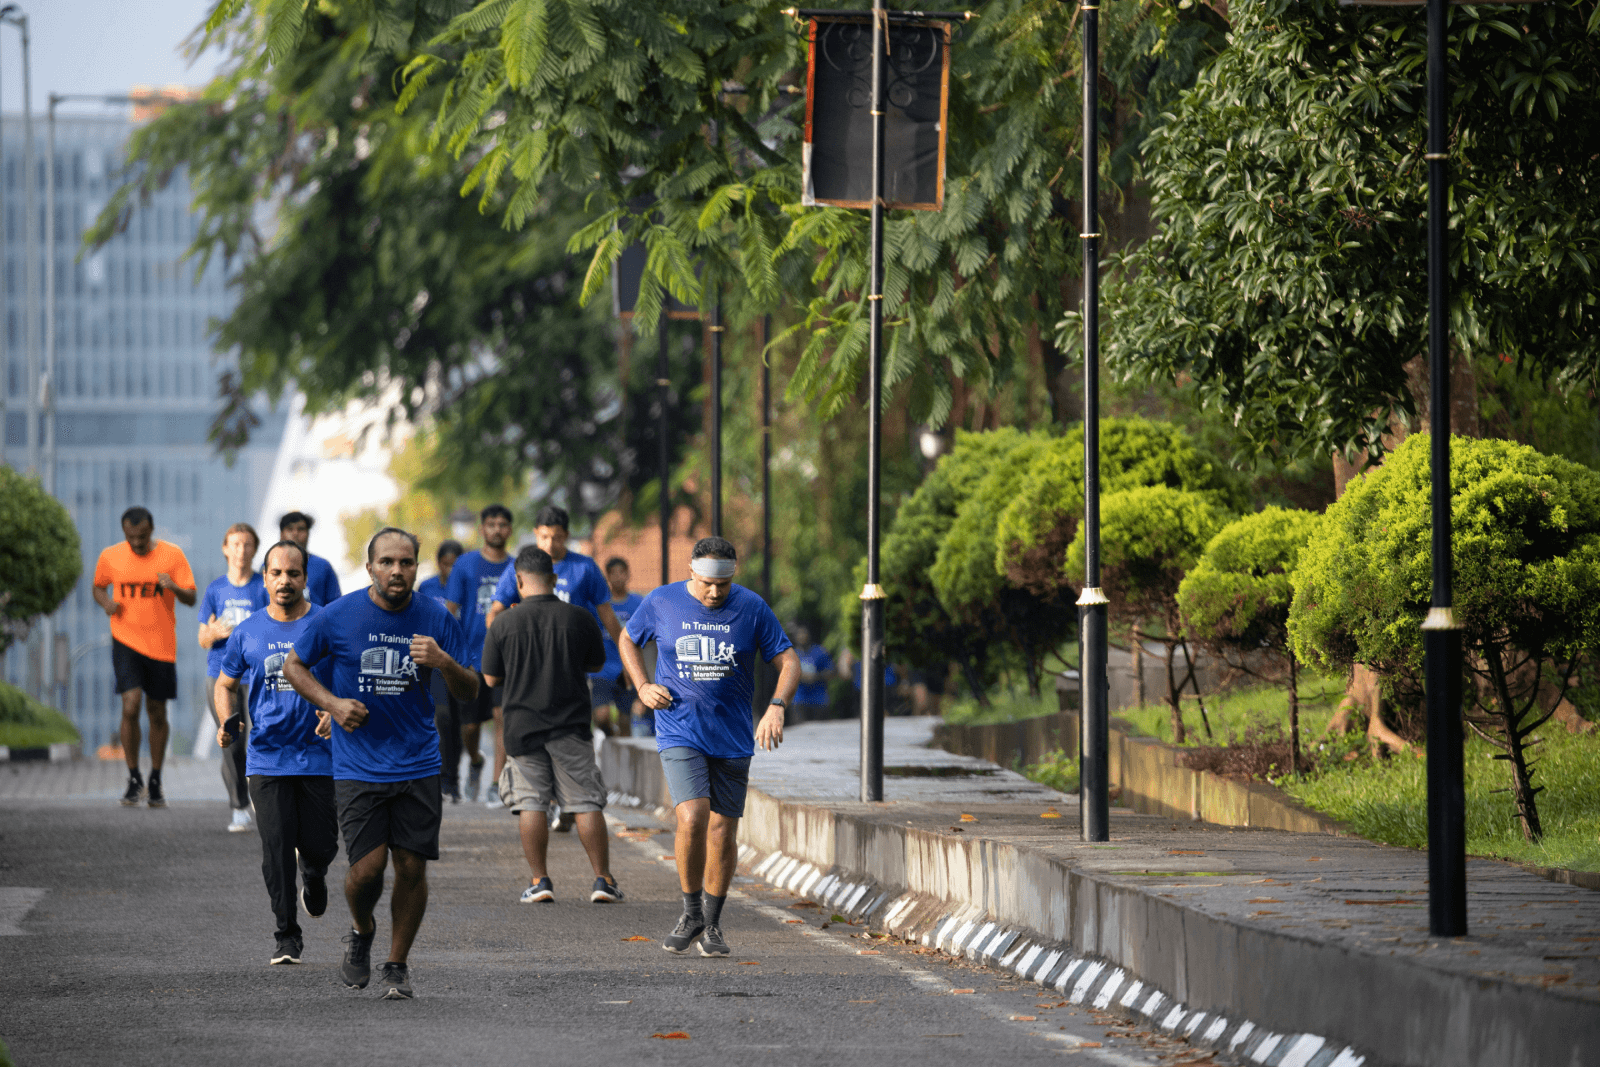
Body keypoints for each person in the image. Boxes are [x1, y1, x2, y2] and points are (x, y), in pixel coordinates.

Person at [282, 527, 477, 1000]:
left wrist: (444, 663)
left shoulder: (435, 616)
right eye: (387, 562)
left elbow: (470, 688)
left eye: (406, 563)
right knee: (366, 870)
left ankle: (396, 963)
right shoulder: (339, 615)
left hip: (418, 762)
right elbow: (293, 665)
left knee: (411, 867)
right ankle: (362, 927)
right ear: (370, 567)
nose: (397, 571)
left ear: (416, 567)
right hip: (358, 766)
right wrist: (332, 704)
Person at [619, 537, 800, 958]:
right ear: (691, 572)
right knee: (693, 814)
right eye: (706, 584)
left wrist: (776, 706)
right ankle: (689, 910)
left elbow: (788, 660)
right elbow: (628, 639)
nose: (715, 593)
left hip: (733, 735)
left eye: (723, 584)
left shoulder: (752, 607)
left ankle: (712, 924)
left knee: (723, 830)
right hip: (679, 727)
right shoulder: (662, 601)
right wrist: (642, 684)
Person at [215, 539, 337, 966]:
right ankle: (286, 934)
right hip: (267, 756)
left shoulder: (327, 622)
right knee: (276, 847)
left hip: (320, 756)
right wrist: (227, 718)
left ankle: (316, 873)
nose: (285, 581)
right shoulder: (248, 631)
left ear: (306, 578)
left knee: (321, 844)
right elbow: (225, 683)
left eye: (294, 573)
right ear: (264, 577)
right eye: (276, 573)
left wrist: (334, 710)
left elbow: (347, 677)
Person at [482, 546, 619, 904]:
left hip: (522, 727)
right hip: (570, 724)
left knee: (532, 804)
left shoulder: (504, 623)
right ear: (554, 579)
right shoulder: (579, 618)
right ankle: (602, 881)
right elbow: (594, 664)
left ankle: (540, 880)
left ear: (518, 581)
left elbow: (491, 679)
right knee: (586, 802)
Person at [485, 505, 621, 806]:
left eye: (557, 538)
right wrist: (505, 642)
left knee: (573, 732)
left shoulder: (584, 568)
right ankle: (540, 798)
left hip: (572, 666)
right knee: (525, 730)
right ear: (536, 534)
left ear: (567, 537)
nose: (550, 544)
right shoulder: (522, 567)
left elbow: (609, 618)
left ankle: (569, 801)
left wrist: (627, 659)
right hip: (530, 666)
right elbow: (495, 613)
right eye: (544, 536)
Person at [92, 506, 197, 809]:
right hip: (125, 640)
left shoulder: (172, 555)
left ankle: (155, 778)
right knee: (131, 703)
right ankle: (134, 776)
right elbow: (98, 587)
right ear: (124, 533)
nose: (136, 543)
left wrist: (173, 586)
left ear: (151, 530)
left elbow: (191, 597)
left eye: (141, 537)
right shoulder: (111, 556)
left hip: (162, 645)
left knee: (157, 711)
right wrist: (107, 604)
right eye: (130, 537)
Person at [199, 523, 269, 831]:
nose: (241, 550)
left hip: (256, 677)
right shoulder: (215, 589)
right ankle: (239, 805)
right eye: (235, 544)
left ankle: (261, 797)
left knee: (260, 737)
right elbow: (202, 638)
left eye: (247, 545)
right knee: (231, 742)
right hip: (221, 678)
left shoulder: (263, 587)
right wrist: (212, 632)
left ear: (255, 550)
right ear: (226, 549)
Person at [444, 506, 515, 804]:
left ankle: (496, 784)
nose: (496, 529)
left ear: (509, 529)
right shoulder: (465, 564)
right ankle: (475, 760)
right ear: (482, 529)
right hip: (471, 657)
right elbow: (450, 611)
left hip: (507, 657)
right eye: (491, 524)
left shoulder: (516, 567)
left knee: (502, 717)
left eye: (502, 524)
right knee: (469, 726)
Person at [419, 540, 463, 800]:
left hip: (460, 661)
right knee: (442, 719)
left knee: (459, 724)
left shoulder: (466, 586)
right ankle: (441, 778)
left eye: (455, 564)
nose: (450, 569)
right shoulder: (427, 587)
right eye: (447, 564)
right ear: (439, 563)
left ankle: (453, 778)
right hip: (434, 663)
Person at [591, 557, 647, 737]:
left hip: (627, 668)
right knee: (601, 715)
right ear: (607, 576)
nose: (617, 577)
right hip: (603, 669)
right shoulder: (600, 606)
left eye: (621, 572)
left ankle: (623, 762)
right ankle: (609, 733)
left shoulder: (638, 603)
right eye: (612, 573)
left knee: (625, 719)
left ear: (628, 574)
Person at [278, 511, 343, 608]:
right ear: (282, 534)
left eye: (301, 529)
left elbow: (336, 607)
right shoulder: (268, 566)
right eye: (290, 529)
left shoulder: (322, 566)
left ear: (308, 533)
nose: (295, 533)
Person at [790, 625, 834, 725]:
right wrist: (800, 676)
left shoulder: (820, 652)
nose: (802, 636)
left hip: (819, 700)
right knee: (801, 734)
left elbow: (831, 672)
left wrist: (816, 677)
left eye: (804, 634)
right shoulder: (792, 655)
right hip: (800, 701)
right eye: (799, 634)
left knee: (821, 733)